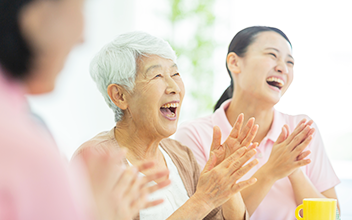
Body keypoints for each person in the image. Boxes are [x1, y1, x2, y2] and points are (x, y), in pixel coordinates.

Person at [0, 0, 170, 219]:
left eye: (175, 74)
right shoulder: (29, 149)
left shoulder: (178, 154)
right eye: (79, 8)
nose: (82, 37)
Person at [72, 31, 261, 220]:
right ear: (120, 96)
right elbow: (204, 203)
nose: (175, 87)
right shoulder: (95, 159)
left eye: (175, 73)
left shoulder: (180, 154)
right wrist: (203, 200)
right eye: (157, 76)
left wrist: (227, 178)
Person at [175, 26, 341, 220]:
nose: (283, 68)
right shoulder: (195, 134)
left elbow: (335, 216)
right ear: (234, 62)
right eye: (272, 55)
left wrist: (294, 172)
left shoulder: (302, 129)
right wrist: (271, 171)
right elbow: (205, 216)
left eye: (290, 62)